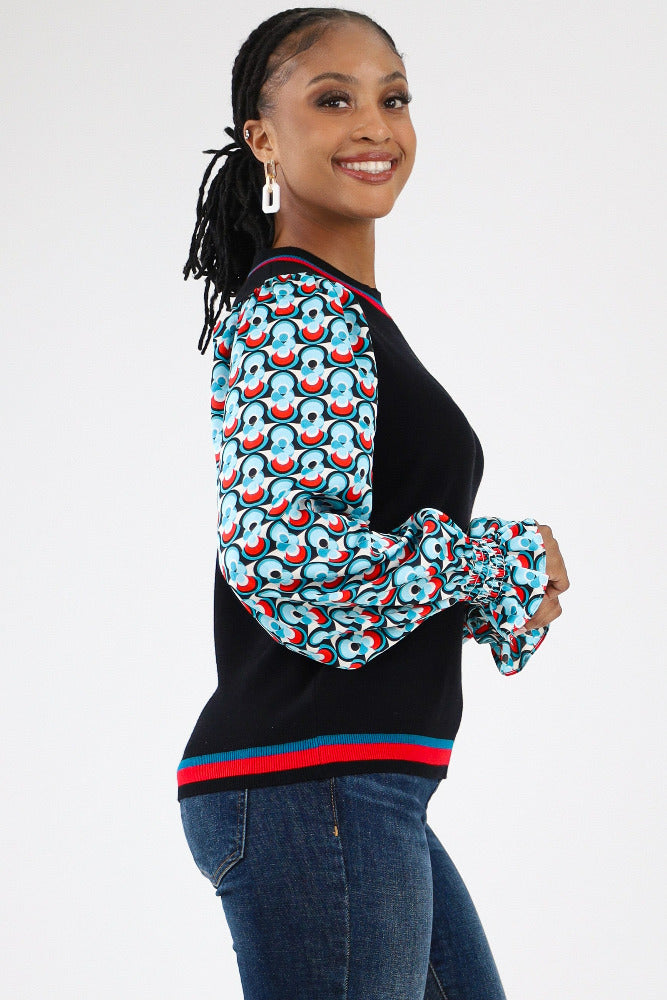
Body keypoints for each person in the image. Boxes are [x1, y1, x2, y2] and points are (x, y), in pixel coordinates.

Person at [177, 7, 569, 999]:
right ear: (262, 137)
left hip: (353, 787)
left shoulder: (344, 314)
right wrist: (490, 557)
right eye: (332, 99)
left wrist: (489, 583)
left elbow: (354, 556)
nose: (374, 126)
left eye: (393, 98)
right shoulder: (297, 312)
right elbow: (291, 567)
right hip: (315, 786)